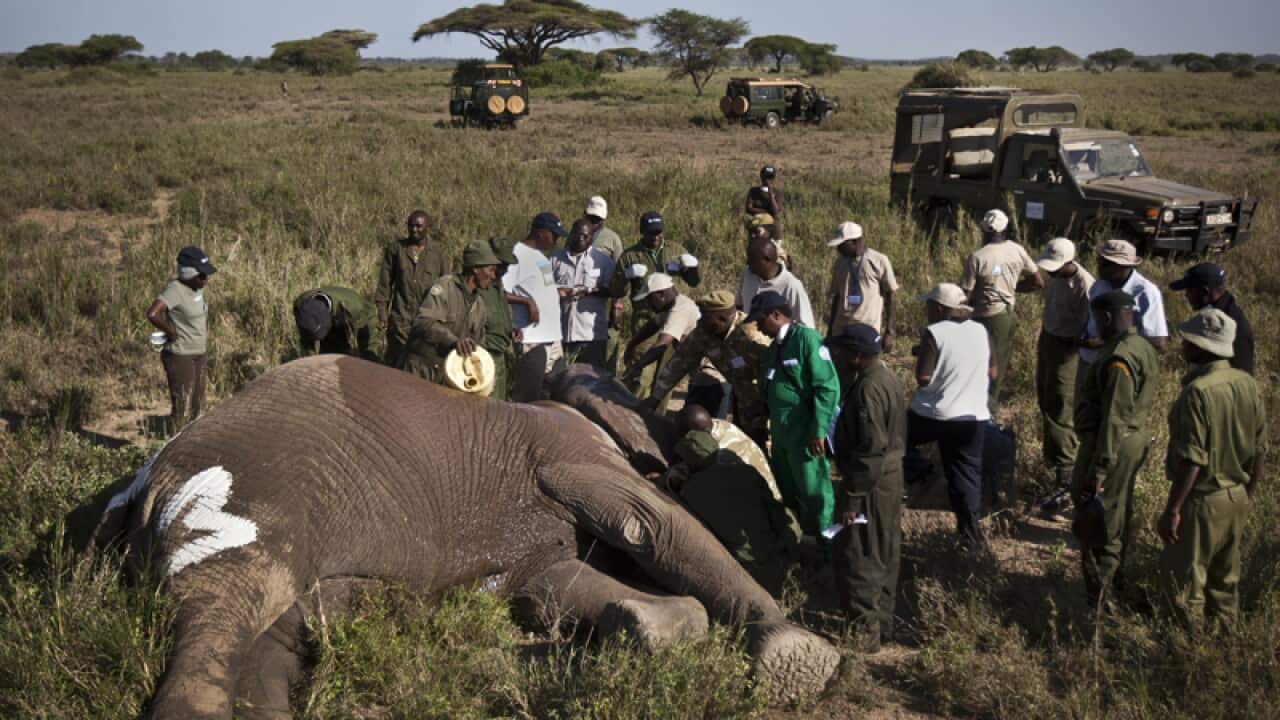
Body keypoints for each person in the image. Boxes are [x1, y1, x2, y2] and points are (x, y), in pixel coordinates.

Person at [1158, 308, 1266, 627]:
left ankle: (1183, 657)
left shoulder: (1198, 392)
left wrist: (1173, 509)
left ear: (1202, 347)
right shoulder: (1248, 384)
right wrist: (1249, 493)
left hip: (1203, 499)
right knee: (1224, 586)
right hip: (1237, 496)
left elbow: (1193, 459)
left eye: (1188, 339)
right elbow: (1260, 449)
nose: (1182, 344)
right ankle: (1220, 646)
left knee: (1184, 588)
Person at [1071, 290, 1160, 607]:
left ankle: (1101, 596)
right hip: (1129, 441)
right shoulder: (1141, 346)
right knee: (1117, 512)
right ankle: (1115, 584)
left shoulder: (1119, 357)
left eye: (1097, 319)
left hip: (1112, 445)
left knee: (1100, 518)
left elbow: (1113, 416)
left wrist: (1099, 468)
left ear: (1106, 317)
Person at [827, 323, 907, 652]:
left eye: (842, 350)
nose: (837, 355)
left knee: (860, 553)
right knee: (885, 549)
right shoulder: (886, 378)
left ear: (857, 356)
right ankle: (883, 623)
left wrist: (852, 499)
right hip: (888, 476)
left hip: (870, 480)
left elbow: (870, 447)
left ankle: (864, 633)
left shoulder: (867, 390)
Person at [906, 283, 995, 549]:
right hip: (974, 417)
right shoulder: (981, 330)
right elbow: (993, 373)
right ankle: (970, 536)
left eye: (928, 305)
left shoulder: (934, 332)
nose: (926, 310)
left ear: (939, 308)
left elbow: (923, 378)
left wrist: (925, 357)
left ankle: (922, 474)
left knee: (893, 434)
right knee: (966, 474)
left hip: (936, 414)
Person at [749, 291, 841, 538]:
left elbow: (827, 388)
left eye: (760, 319)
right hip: (781, 434)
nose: (757, 325)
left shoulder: (806, 340)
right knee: (788, 490)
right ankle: (800, 540)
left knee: (815, 490)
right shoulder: (773, 349)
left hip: (805, 433)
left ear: (777, 315)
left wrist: (818, 430)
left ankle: (825, 542)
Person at [669, 427, 799, 596]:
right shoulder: (747, 472)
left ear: (689, 461)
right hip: (776, 554)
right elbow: (775, 510)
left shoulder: (691, 491)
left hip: (742, 569)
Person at [646, 290, 771, 448]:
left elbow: (775, 374)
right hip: (742, 400)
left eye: (705, 317)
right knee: (747, 445)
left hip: (770, 404)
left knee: (770, 448)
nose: (700, 322)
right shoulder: (704, 333)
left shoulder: (753, 335)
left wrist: (765, 406)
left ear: (722, 318)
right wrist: (655, 398)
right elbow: (679, 363)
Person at [959, 208, 1044, 411]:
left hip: (984, 315)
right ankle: (989, 406)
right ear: (1005, 228)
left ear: (984, 231)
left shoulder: (978, 257)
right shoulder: (1017, 249)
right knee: (999, 361)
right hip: (1007, 314)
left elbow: (965, 294)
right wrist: (1012, 289)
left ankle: (985, 408)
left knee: (981, 363)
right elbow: (1037, 282)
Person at [608, 211, 701, 396]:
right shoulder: (630, 256)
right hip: (646, 320)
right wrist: (625, 276)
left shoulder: (675, 250)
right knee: (641, 376)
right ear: (642, 232)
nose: (656, 237)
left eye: (659, 232)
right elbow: (616, 291)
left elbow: (693, 282)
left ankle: (659, 418)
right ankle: (634, 412)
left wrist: (693, 269)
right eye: (651, 233)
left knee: (665, 376)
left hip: (675, 319)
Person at [1034, 238, 1096, 502]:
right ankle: (1052, 461)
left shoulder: (1085, 285)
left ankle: (1066, 472)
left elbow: (1089, 328)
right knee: (1045, 399)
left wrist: (1073, 344)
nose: (1050, 271)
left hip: (1069, 348)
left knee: (1061, 405)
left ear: (1069, 262)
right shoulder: (1055, 277)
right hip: (1049, 339)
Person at [399, 242, 501, 385]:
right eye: (491, 270)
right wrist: (454, 341)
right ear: (476, 269)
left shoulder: (480, 306)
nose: (493, 276)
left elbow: (478, 345)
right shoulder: (445, 287)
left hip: (449, 376)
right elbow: (423, 322)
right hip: (420, 371)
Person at [146, 246, 216, 428]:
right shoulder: (175, 289)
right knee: (182, 408)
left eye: (206, 274)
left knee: (198, 407)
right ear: (188, 273)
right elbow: (153, 314)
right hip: (180, 356)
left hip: (198, 354)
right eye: (201, 275)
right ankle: (174, 447)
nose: (205, 279)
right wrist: (171, 332)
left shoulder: (197, 288)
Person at [505, 212, 568, 402]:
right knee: (528, 397)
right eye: (554, 235)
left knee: (554, 395)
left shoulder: (542, 258)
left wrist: (561, 291)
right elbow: (500, 292)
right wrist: (527, 302)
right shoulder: (516, 255)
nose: (556, 240)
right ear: (541, 233)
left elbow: (545, 287)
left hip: (553, 338)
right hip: (532, 339)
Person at [375, 210, 449, 367]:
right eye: (410, 226)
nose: (414, 229)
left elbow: (446, 288)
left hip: (427, 321)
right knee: (395, 366)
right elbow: (385, 285)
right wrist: (382, 314)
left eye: (418, 226)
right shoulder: (396, 249)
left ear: (428, 227)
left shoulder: (438, 252)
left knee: (421, 366)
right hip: (400, 321)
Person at [1080, 239, 1169, 367]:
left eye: (1104, 263)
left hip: (1119, 367)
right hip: (1089, 361)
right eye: (1098, 260)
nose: (1098, 265)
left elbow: (1158, 342)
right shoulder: (1099, 285)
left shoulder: (1146, 292)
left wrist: (1107, 343)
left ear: (1119, 266)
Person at [621, 274, 699, 396]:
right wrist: (631, 344)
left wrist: (636, 367)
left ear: (661, 294)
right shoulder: (672, 306)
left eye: (649, 299)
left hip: (710, 373)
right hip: (697, 370)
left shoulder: (680, 309)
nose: (648, 304)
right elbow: (652, 325)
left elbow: (662, 344)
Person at [553, 218, 615, 370]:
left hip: (591, 335)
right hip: (561, 333)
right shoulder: (554, 259)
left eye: (586, 236)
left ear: (592, 237)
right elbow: (544, 289)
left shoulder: (603, 261)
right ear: (571, 234)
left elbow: (613, 290)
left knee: (592, 379)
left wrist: (589, 290)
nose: (581, 238)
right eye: (578, 234)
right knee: (561, 380)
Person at [1169, 263, 1254, 374]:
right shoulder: (1215, 315)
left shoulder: (1228, 324)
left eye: (1189, 290)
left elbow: (1241, 374)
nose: (1186, 295)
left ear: (1205, 292)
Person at [825, 221, 899, 343]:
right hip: (842, 329)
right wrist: (830, 330)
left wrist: (890, 330)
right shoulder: (839, 263)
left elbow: (890, 294)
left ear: (854, 242)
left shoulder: (878, 260)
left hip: (868, 329)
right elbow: (837, 297)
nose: (838, 249)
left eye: (841, 245)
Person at [737, 236, 816, 328]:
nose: (747, 263)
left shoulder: (792, 286)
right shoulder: (748, 274)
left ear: (766, 260)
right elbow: (739, 305)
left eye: (752, 259)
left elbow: (806, 327)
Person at [480, 237, 519, 400]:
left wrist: (511, 328)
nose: (505, 270)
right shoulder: (480, 285)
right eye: (503, 265)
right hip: (483, 356)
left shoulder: (498, 285)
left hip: (500, 355)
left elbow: (500, 309)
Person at [292, 286, 377, 358]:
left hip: (362, 317)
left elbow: (370, 326)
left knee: (369, 357)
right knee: (330, 356)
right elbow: (306, 339)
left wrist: (369, 356)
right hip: (327, 316)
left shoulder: (354, 306)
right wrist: (309, 357)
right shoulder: (300, 306)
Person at [744, 165, 782, 239]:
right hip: (756, 220)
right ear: (761, 177)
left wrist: (771, 194)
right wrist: (767, 211)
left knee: (777, 245)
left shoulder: (777, 192)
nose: (768, 180)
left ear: (773, 179)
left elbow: (776, 211)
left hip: (771, 223)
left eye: (770, 178)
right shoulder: (753, 191)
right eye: (766, 177)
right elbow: (748, 208)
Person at [583, 195, 623, 261]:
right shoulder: (575, 234)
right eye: (591, 217)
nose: (594, 221)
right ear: (585, 214)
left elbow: (619, 266)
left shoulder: (613, 239)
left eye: (598, 218)